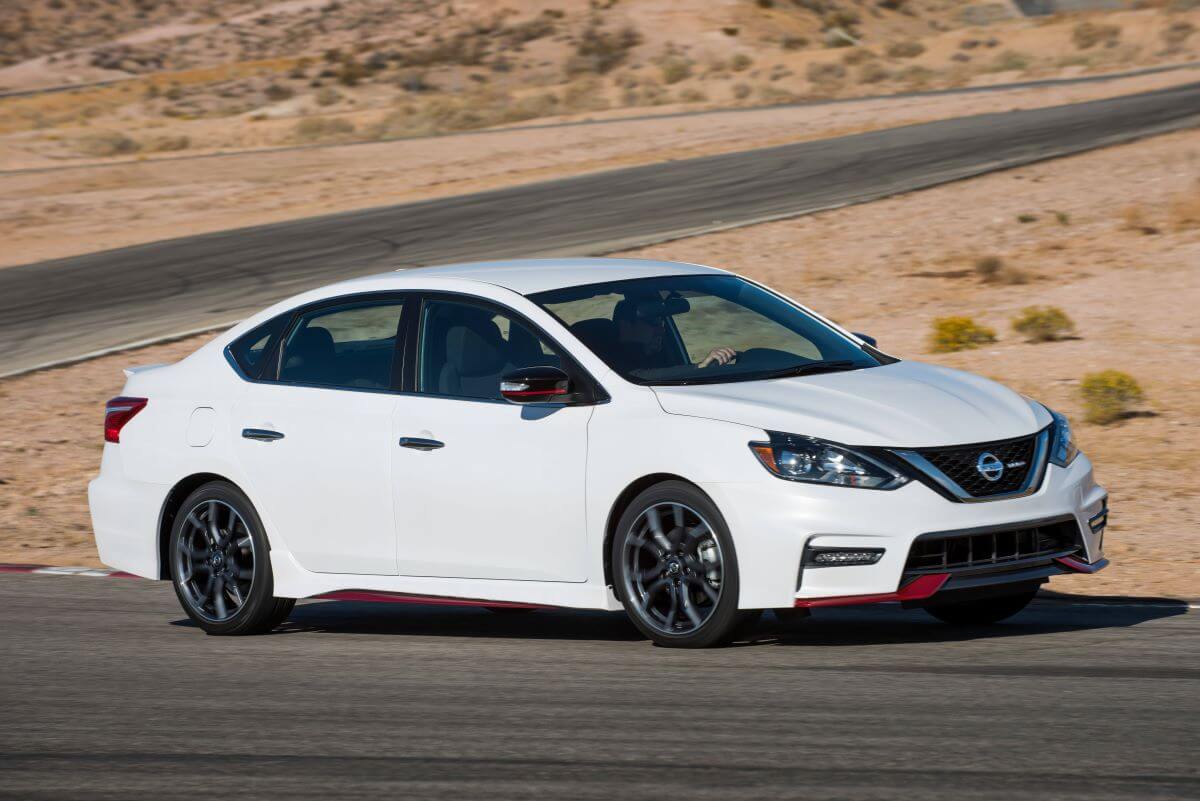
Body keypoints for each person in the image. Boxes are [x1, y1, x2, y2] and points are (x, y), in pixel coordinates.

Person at [613, 296, 736, 370]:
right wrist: (700, 368)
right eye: (653, 323)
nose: (661, 330)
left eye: (661, 324)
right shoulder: (613, 363)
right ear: (626, 326)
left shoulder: (659, 355)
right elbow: (643, 376)